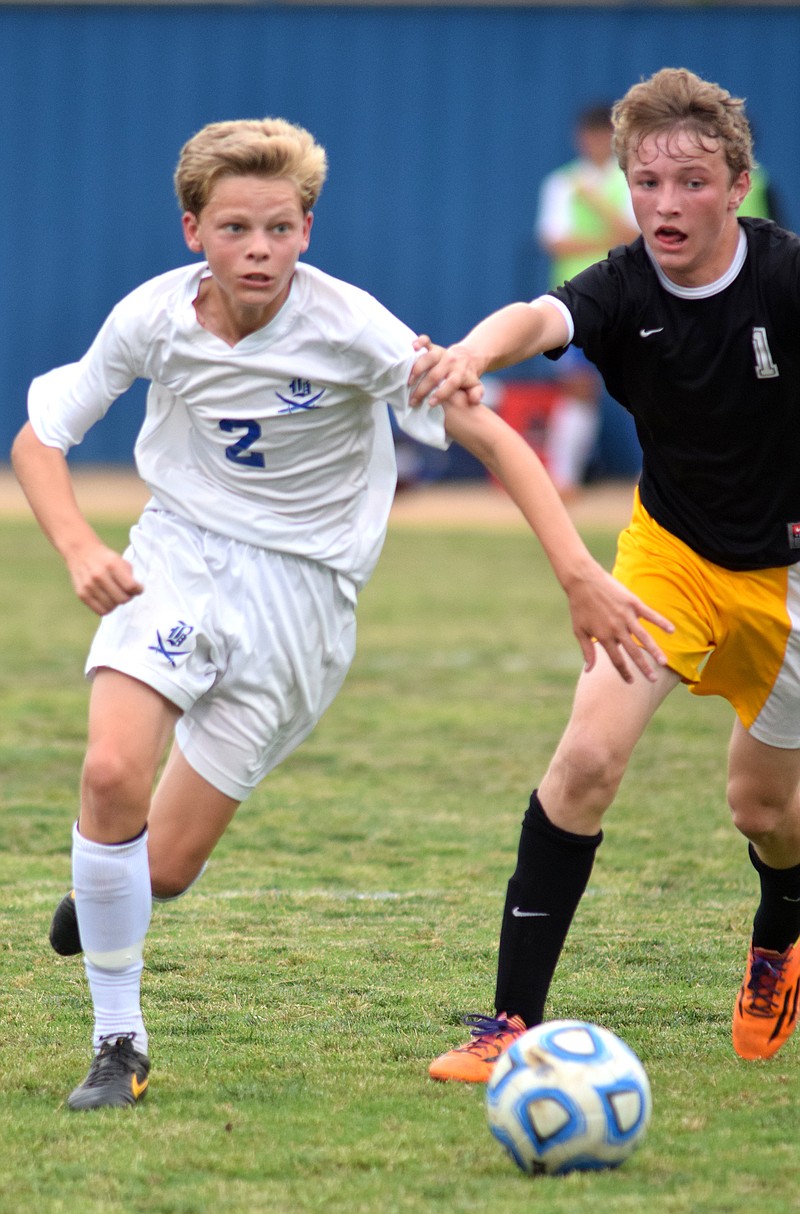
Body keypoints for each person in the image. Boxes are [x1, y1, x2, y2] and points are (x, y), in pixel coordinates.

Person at [11, 117, 671, 1111]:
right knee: (109, 773)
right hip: (178, 558)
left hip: (304, 605)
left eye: (278, 228)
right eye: (234, 228)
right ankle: (119, 1039)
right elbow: (38, 438)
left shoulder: (352, 327)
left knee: (168, 865)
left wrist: (575, 567)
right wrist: (78, 547)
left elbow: (488, 436)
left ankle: (114, 892)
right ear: (193, 229)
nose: (258, 250)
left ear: (307, 229)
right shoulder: (150, 318)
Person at [411, 66, 800, 1082]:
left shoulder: (785, 278)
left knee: (764, 812)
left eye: (690, 182)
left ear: (736, 183)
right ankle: (507, 1022)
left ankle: (776, 937)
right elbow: (533, 319)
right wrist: (468, 355)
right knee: (584, 761)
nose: (664, 205)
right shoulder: (621, 285)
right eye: (645, 182)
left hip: (791, 581)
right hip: (666, 560)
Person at [535, 103, 639, 499]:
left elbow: (635, 235)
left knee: (641, 383)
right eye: (590, 134)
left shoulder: (631, 180)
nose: (596, 142)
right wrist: (607, 240)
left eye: (604, 134)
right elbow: (554, 239)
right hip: (574, 296)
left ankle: (656, 477)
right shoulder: (561, 183)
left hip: (626, 295)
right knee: (578, 388)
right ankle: (564, 480)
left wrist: (596, 203)